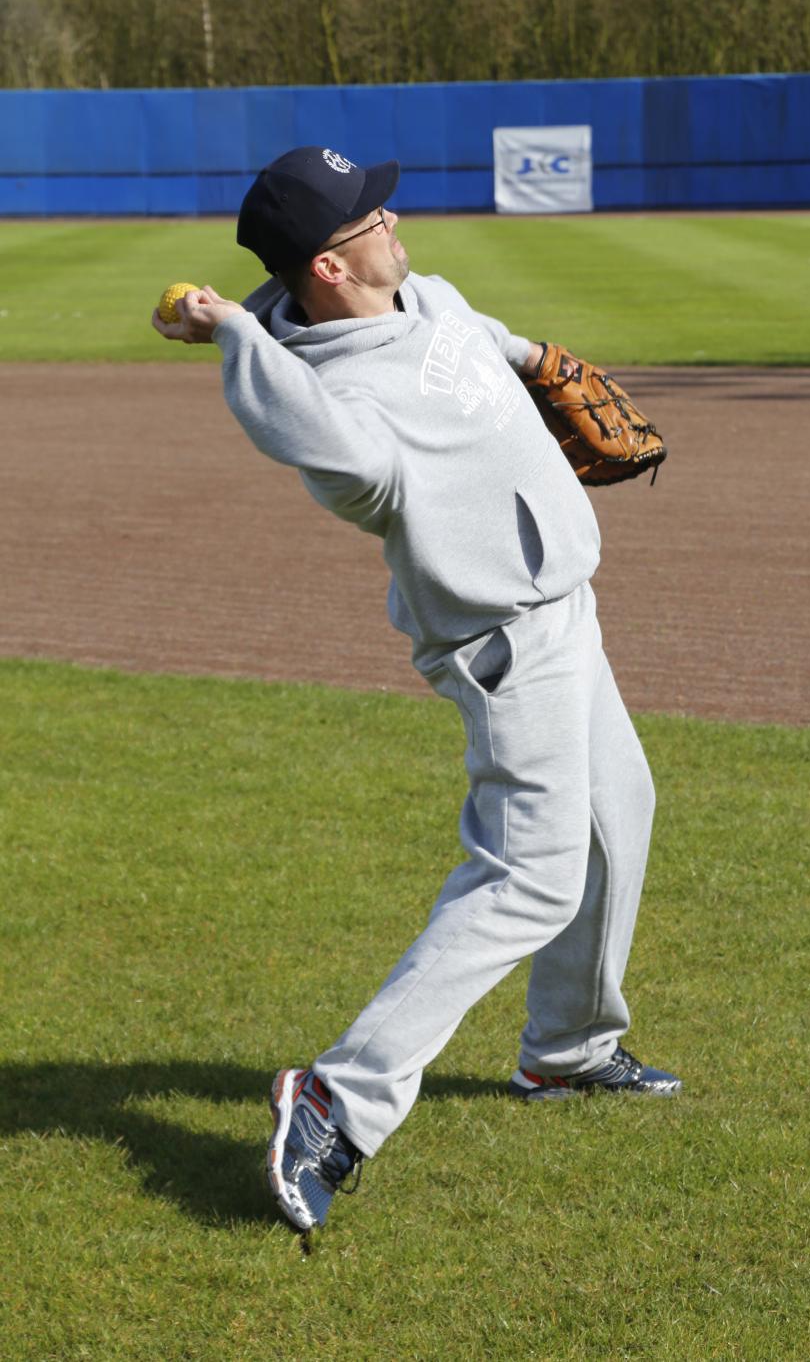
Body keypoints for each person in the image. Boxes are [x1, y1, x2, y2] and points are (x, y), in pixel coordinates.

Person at [152, 145, 681, 1235]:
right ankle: (338, 1101)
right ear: (329, 268)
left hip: (568, 611)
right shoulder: (344, 412)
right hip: (504, 645)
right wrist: (239, 333)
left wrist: (532, 355)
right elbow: (310, 434)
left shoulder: (420, 296)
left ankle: (568, 1050)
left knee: (619, 813)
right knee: (528, 877)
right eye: (370, 220)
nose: (394, 222)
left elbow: (469, 327)